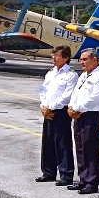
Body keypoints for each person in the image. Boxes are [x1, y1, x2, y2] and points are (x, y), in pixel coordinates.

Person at [66, 49, 99, 194]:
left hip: (90, 115)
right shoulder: (84, 75)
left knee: (89, 149)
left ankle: (91, 182)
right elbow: (75, 93)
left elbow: (95, 98)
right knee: (80, 148)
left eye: (84, 59)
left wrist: (76, 109)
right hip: (79, 115)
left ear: (95, 60)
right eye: (81, 59)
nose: (81, 62)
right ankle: (83, 179)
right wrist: (71, 107)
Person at [37, 45, 78, 184]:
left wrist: (51, 108)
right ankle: (48, 172)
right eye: (52, 55)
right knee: (47, 142)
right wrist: (43, 106)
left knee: (62, 143)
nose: (53, 58)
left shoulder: (71, 75)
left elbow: (67, 96)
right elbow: (43, 90)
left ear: (66, 58)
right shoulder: (50, 73)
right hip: (47, 110)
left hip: (60, 112)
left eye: (56, 56)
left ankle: (66, 175)